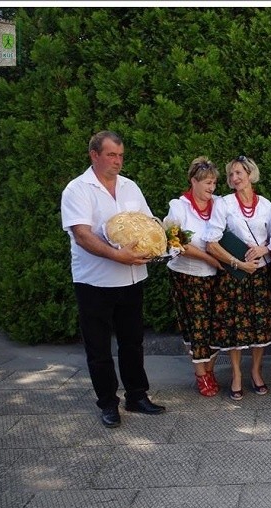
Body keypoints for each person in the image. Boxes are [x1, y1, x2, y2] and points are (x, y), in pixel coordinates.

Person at [60, 130, 165, 428]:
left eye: (120, 155)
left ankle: (137, 395)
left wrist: (160, 244)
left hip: (132, 278)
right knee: (99, 347)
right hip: (95, 281)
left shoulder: (130, 187)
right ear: (94, 155)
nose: (118, 161)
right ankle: (108, 403)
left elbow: (148, 223)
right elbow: (82, 235)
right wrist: (117, 255)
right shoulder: (78, 189)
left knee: (133, 342)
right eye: (111, 155)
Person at [206, 156, 271, 400]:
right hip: (234, 274)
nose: (235, 178)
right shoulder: (224, 204)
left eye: (239, 173)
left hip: (261, 275)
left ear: (250, 174)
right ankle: (236, 374)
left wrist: (263, 249)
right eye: (231, 175)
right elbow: (211, 243)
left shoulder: (269, 206)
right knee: (235, 326)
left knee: (261, 325)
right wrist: (239, 263)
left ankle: (256, 372)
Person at [164, 157, 225, 397]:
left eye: (214, 183)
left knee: (218, 326)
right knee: (198, 326)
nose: (212, 188)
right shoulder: (179, 206)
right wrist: (209, 258)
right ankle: (202, 374)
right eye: (208, 183)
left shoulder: (219, 204)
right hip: (188, 275)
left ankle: (209, 369)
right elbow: (175, 241)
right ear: (193, 181)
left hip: (217, 275)